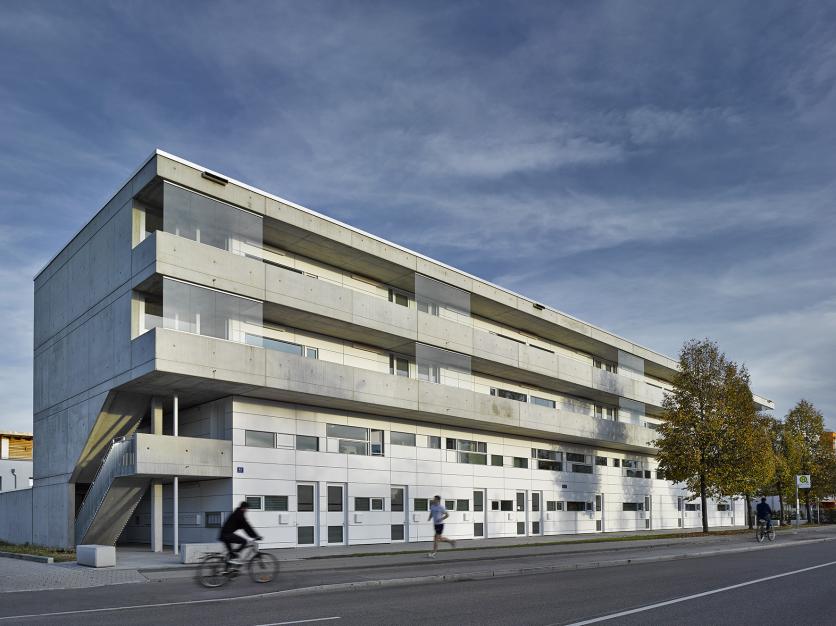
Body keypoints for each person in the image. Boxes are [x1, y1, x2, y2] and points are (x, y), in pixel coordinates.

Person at [220, 501, 262, 566]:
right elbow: (247, 526)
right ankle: (235, 557)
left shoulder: (237, 513)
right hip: (227, 534)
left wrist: (252, 535)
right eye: (247, 508)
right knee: (244, 541)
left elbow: (245, 527)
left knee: (231, 554)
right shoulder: (239, 515)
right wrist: (255, 536)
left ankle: (229, 568)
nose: (247, 510)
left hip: (224, 534)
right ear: (244, 508)